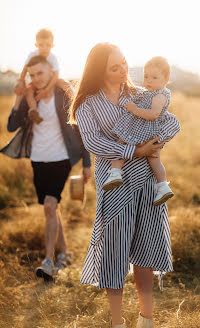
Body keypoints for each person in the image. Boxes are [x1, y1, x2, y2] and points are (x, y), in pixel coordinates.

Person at [69, 43, 173, 328]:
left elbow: (161, 125)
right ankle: (117, 323)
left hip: (146, 184)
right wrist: (133, 150)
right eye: (115, 67)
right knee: (114, 252)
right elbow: (92, 143)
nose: (123, 70)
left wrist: (157, 141)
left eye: (124, 63)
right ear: (98, 71)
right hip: (114, 186)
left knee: (146, 249)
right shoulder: (87, 103)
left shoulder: (143, 95)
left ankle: (146, 319)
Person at [0, 55, 91, 281]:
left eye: (40, 73)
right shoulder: (32, 96)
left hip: (62, 158)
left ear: (51, 70)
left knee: (50, 206)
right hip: (38, 159)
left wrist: (87, 163)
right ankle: (66, 253)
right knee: (53, 206)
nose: (36, 78)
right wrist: (17, 98)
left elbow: (81, 129)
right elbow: (12, 125)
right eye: (32, 74)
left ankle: (48, 261)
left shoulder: (63, 94)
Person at [102, 56, 180, 206]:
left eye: (154, 77)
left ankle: (115, 172)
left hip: (143, 130)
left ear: (166, 79)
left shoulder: (159, 96)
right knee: (154, 159)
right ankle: (162, 186)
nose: (148, 81)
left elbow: (153, 114)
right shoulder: (150, 92)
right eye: (146, 76)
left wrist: (134, 109)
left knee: (121, 143)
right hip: (149, 133)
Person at [14, 28, 72, 124]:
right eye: (41, 45)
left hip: (53, 79)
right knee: (29, 91)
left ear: (52, 45)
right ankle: (33, 110)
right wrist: (21, 81)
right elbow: (25, 69)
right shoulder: (32, 55)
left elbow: (56, 75)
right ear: (36, 45)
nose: (44, 48)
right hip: (36, 80)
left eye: (48, 45)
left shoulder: (53, 58)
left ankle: (74, 99)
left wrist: (46, 90)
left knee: (63, 83)